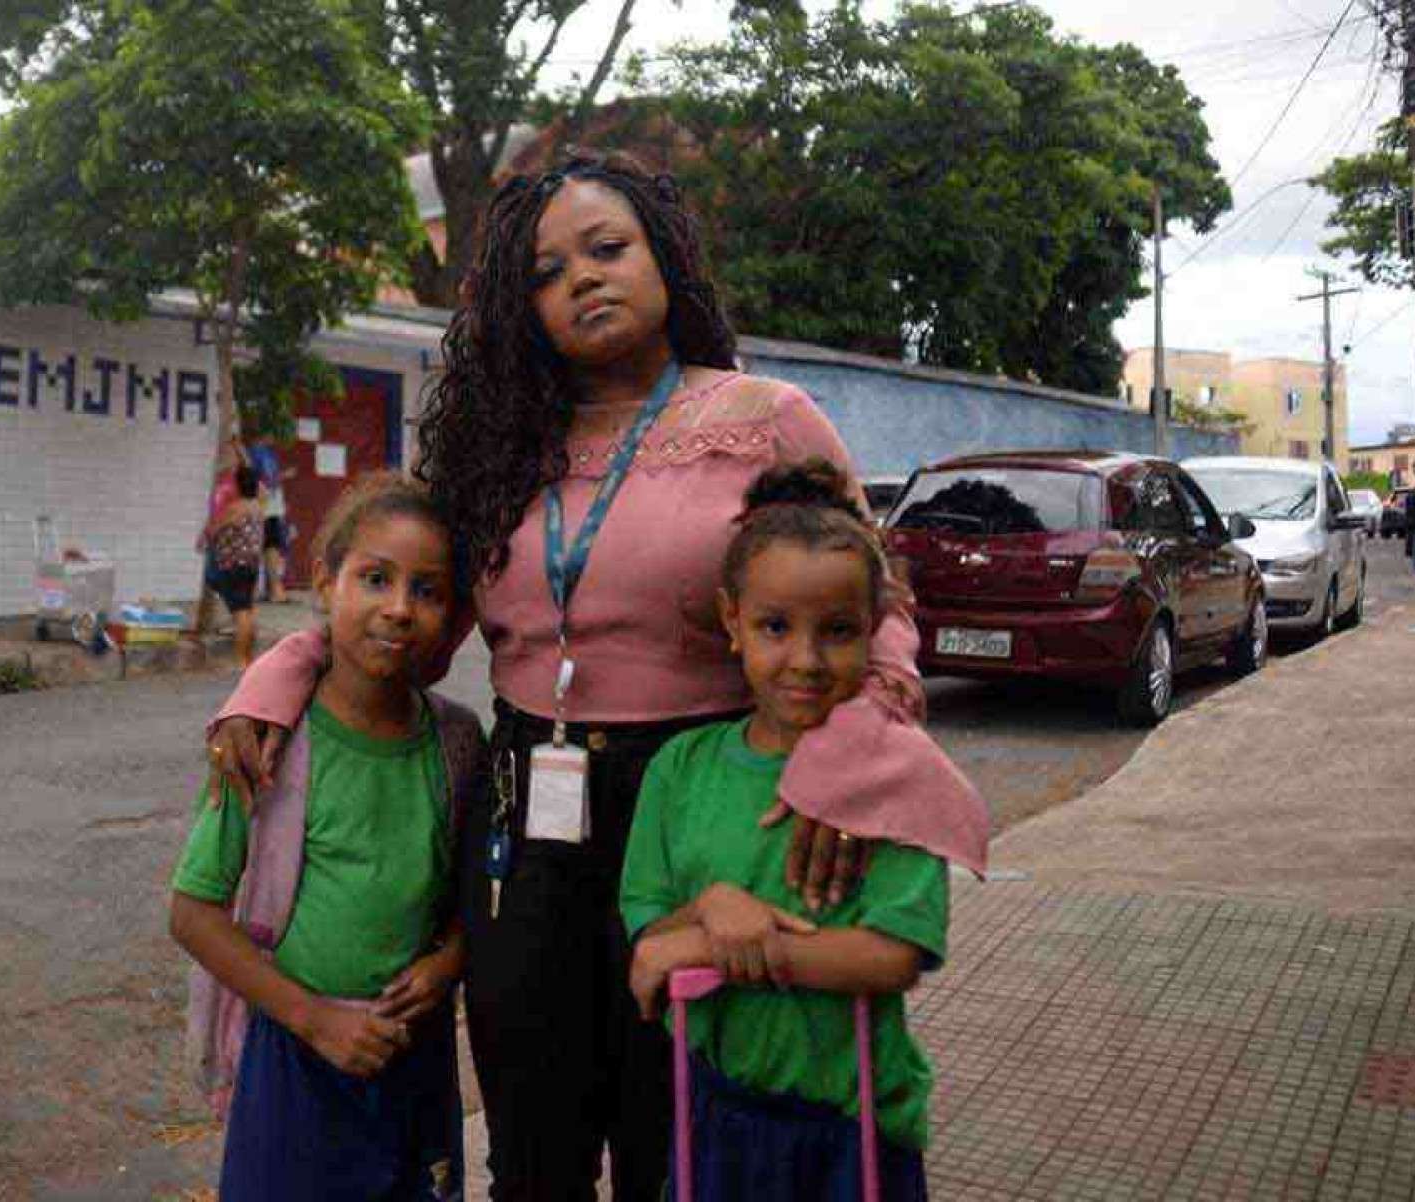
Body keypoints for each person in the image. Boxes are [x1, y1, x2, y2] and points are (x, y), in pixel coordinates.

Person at [205, 150, 987, 1201]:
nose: (580, 278)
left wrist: (854, 767)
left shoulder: (769, 416)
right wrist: (274, 675)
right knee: (533, 1134)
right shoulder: (499, 443)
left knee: (675, 1128)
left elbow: (876, 608)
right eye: (544, 271)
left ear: (663, 252)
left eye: (606, 248)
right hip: (525, 811)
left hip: (702, 797)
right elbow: (406, 617)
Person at [621, 461, 978, 1201]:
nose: (807, 662)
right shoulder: (679, 771)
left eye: (839, 632)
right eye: (776, 627)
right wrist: (712, 910)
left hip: (853, 1128)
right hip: (715, 1112)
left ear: (874, 630)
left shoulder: (898, 780)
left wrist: (717, 949)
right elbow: (649, 942)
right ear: (732, 623)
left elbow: (890, 957)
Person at [169, 473, 485, 1199]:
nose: (399, 609)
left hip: (412, 1055)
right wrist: (313, 1019)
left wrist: (448, 963)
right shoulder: (265, 742)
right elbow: (192, 912)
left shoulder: (458, 743)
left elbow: (476, 898)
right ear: (324, 579)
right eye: (375, 578)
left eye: (428, 591)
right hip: (294, 1056)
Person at [195, 465, 265, 665]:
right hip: (251, 564)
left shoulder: (237, 507)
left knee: (240, 611)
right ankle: (248, 658)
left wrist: (203, 538)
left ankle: (242, 659)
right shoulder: (257, 506)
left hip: (234, 564)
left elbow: (216, 527)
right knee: (247, 610)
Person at [248, 439, 297, 603]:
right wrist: (283, 476)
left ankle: (274, 589)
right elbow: (256, 480)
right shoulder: (255, 452)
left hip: (273, 507)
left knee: (272, 547)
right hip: (263, 507)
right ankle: (255, 590)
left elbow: (270, 479)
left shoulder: (270, 453)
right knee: (258, 547)